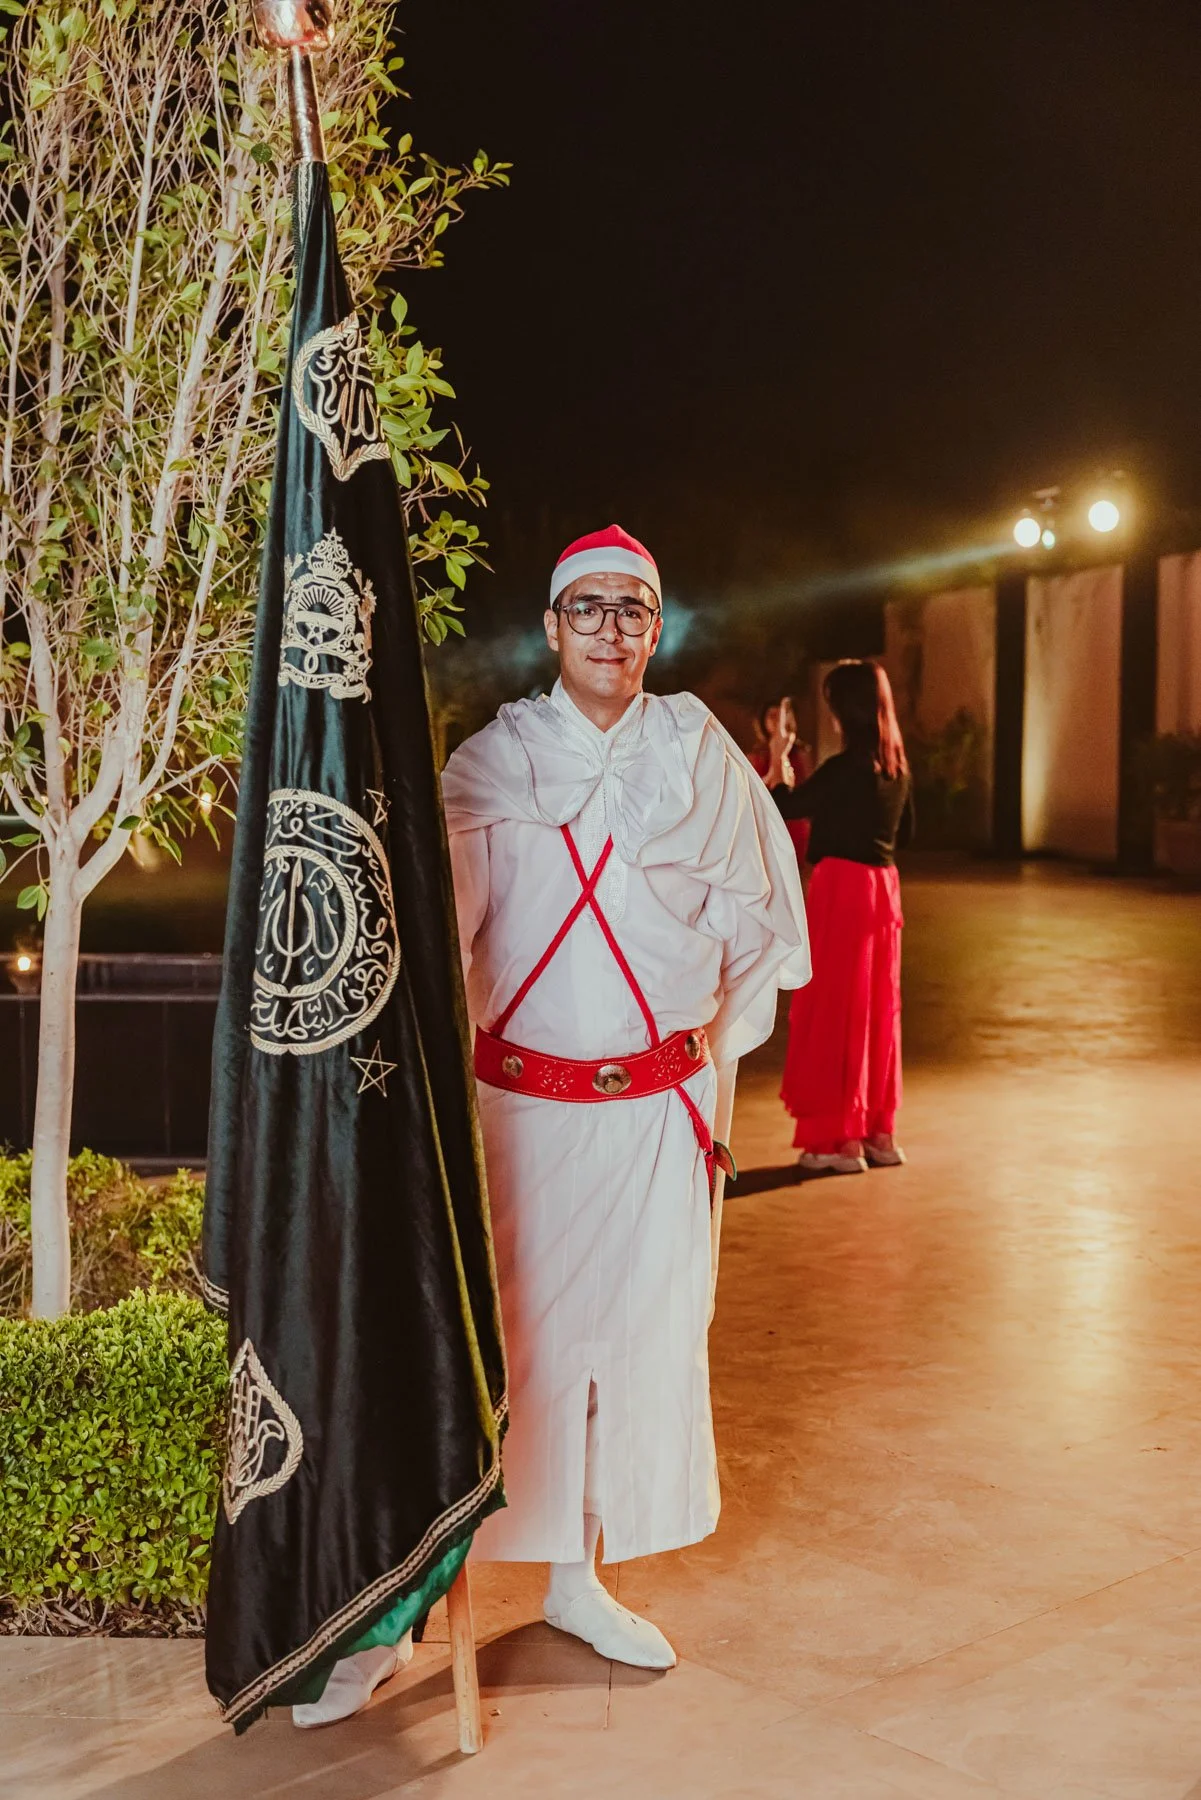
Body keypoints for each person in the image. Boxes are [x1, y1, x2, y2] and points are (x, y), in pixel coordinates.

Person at [441, 524, 810, 1669]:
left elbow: (760, 933)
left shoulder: (702, 762)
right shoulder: (489, 767)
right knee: (488, 1350)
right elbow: (439, 943)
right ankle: (406, 1602)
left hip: (654, 1118)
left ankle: (574, 1578)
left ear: (657, 627)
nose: (611, 628)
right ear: (549, 628)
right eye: (587, 608)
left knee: (631, 1346)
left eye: (632, 609)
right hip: (518, 1118)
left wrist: (701, 1050)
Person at [766, 660, 913, 1176]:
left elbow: (780, 805)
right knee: (875, 1010)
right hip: (883, 890)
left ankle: (837, 1141)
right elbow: (905, 836)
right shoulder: (895, 770)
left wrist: (780, 757)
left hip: (842, 890)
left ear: (843, 711)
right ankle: (878, 1133)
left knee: (834, 1008)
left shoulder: (843, 768)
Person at [748, 697, 812, 864]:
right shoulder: (757, 756)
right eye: (772, 716)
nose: (776, 721)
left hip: (794, 825)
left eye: (781, 715)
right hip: (767, 827)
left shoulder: (799, 753)